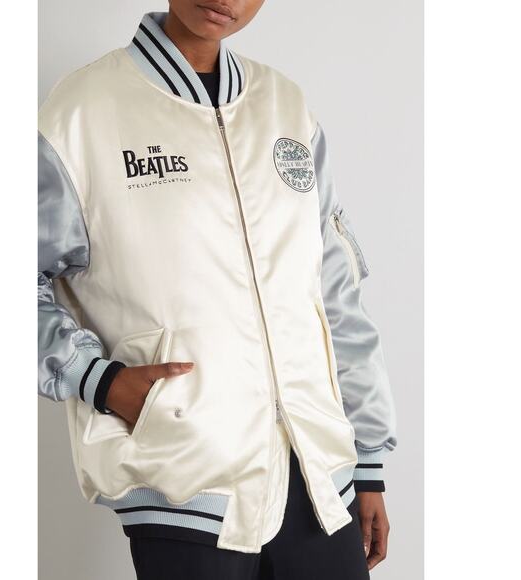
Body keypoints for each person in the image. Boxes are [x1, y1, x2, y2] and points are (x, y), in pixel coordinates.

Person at [38, 1, 397, 578]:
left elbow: (335, 292)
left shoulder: (285, 106)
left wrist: (368, 462)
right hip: (187, 483)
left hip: (321, 480)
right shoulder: (80, 113)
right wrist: (99, 380)